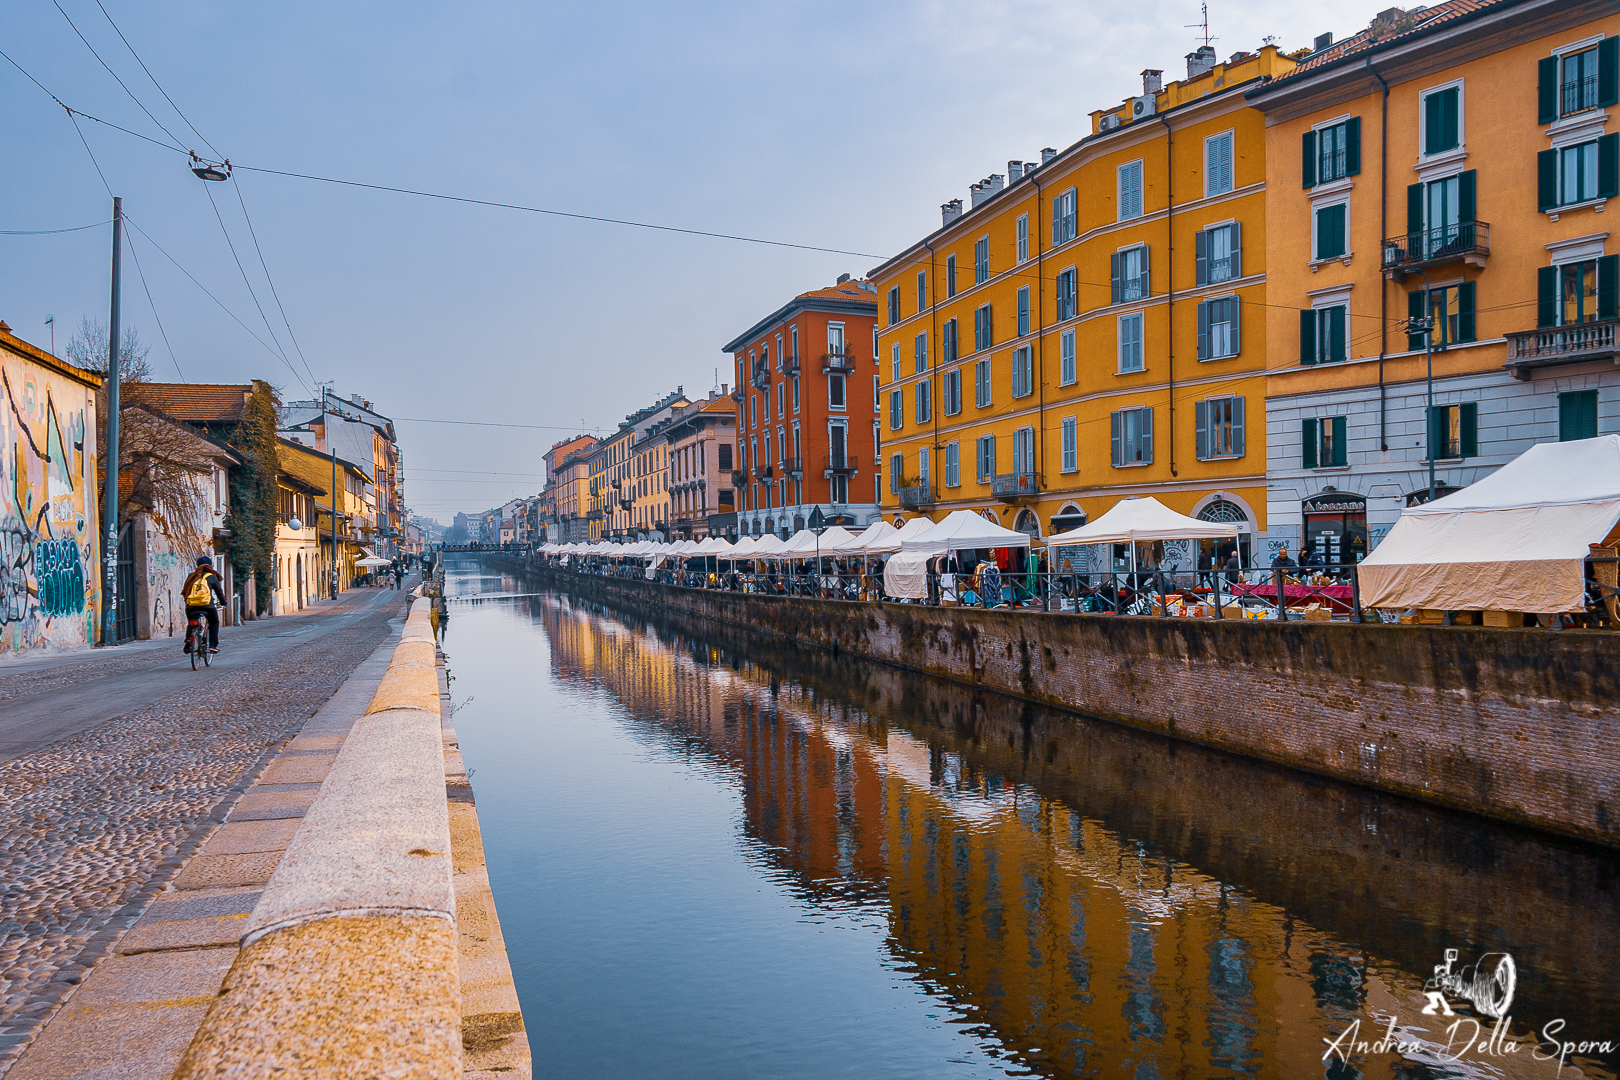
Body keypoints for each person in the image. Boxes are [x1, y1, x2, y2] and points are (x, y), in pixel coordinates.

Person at [181, 555, 226, 655]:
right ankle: (212, 646)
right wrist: (223, 602)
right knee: (214, 622)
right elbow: (219, 592)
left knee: (192, 622)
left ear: (197, 565)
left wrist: (188, 602)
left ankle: (189, 640)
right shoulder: (212, 577)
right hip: (207, 605)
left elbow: (185, 591)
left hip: (191, 605)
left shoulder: (191, 576)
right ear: (210, 565)